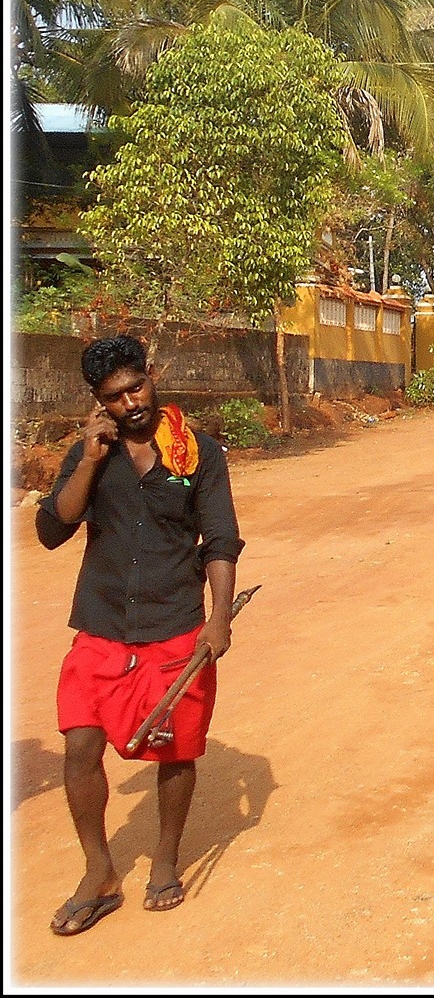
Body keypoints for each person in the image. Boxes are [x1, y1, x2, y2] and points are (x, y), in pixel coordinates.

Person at [36, 334, 244, 936]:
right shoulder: (91, 453)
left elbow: (220, 539)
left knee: (174, 752)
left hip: (175, 624)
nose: (130, 404)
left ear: (152, 377)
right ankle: (98, 872)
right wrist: (91, 457)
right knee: (79, 746)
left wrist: (219, 616)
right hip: (101, 625)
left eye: (136, 388)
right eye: (114, 397)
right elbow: (53, 529)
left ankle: (166, 860)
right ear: (97, 402)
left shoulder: (198, 453)